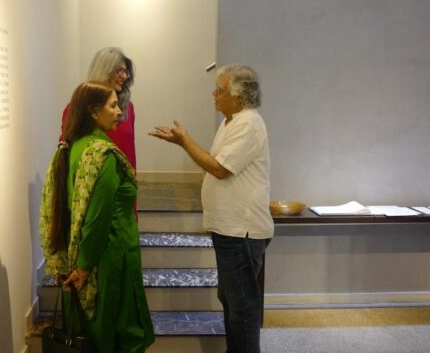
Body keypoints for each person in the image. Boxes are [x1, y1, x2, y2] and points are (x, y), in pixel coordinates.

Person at [149, 64, 273, 353]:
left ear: (239, 96)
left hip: (242, 231)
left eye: (220, 89)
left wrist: (184, 141)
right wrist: (183, 142)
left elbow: (219, 169)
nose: (213, 93)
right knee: (231, 301)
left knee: (242, 307)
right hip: (229, 229)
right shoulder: (231, 121)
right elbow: (217, 164)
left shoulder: (248, 123)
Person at [40, 81, 154, 353]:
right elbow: (97, 219)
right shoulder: (103, 155)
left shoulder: (69, 148)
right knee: (114, 332)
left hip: (78, 254)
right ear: (93, 112)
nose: (120, 112)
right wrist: (84, 268)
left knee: (87, 333)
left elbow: (59, 209)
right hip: (109, 256)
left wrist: (72, 264)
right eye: (113, 106)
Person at [59, 47, 137, 170]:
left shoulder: (128, 108)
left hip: (123, 177)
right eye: (119, 70)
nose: (124, 76)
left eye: (126, 72)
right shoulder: (77, 107)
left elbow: (130, 149)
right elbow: (67, 150)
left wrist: (131, 176)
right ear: (105, 70)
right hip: (91, 177)